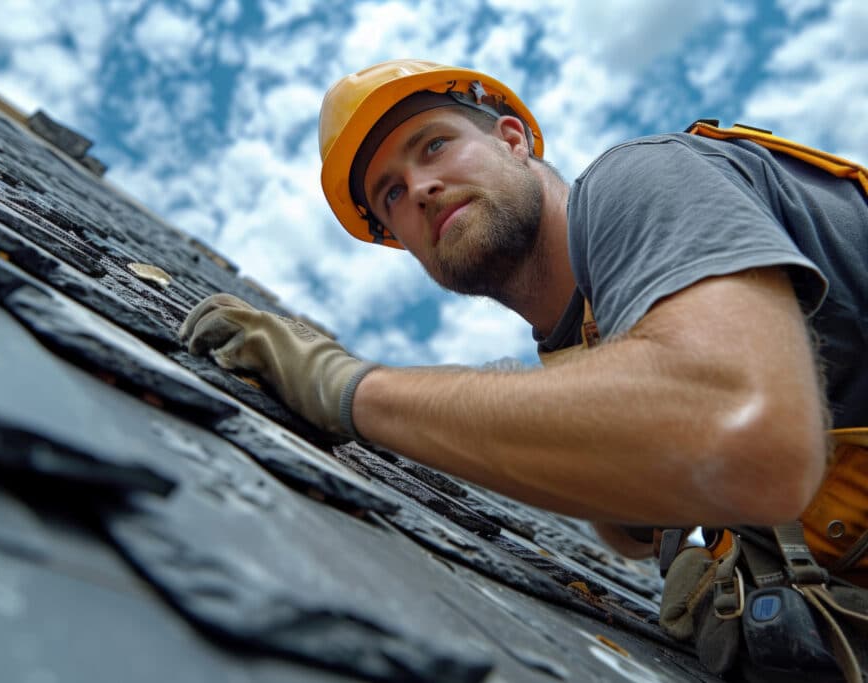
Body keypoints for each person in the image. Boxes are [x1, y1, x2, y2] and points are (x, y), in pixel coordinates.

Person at [179, 60, 867, 562]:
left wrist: (344, 387)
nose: (419, 187)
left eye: (434, 145)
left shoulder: (638, 179)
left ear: (513, 139)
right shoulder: (592, 349)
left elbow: (743, 434)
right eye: (390, 194)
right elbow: (637, 531)